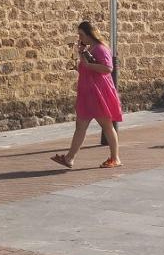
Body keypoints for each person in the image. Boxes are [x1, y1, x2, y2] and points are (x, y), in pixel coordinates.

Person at [51, 21, 123, 169]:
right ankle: (69, 158)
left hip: (98, 93)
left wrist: (88, 64)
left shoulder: (101, 48)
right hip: (88, 94)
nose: (79, 37)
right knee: (80, 126)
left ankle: (115, 158)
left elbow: (108, 68)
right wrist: (82, 53)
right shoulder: (90, 49)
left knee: (107, 125)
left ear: (90, 34)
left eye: (81, 34)